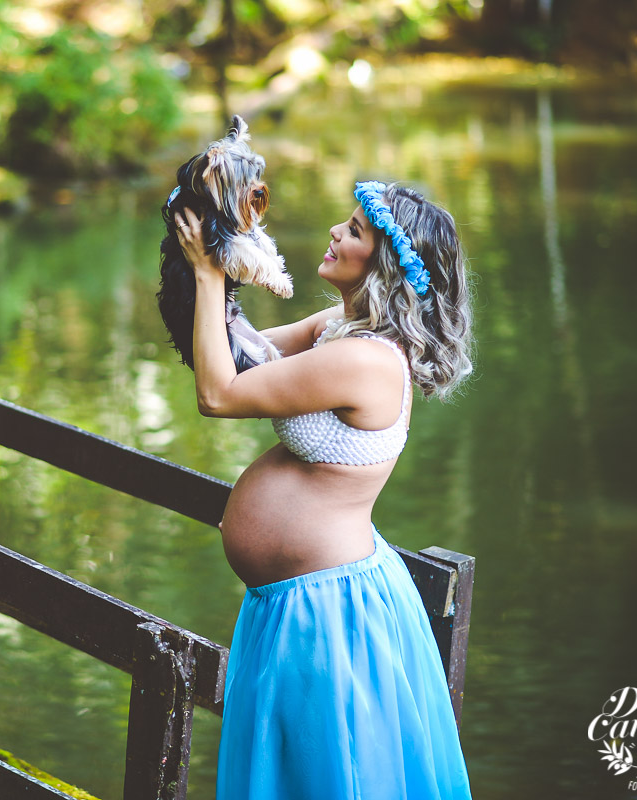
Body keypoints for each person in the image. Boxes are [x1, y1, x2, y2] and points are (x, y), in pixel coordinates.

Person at [173, 180, 474, 799]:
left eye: (355, 230)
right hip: (291, 601)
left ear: (384, 266)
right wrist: (229, 251)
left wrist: (208, 277)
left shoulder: (365, 360)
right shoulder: (342, 327)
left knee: (329, 778)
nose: (336, 232)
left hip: (328, 611)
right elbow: (239, 355)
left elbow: (219, 394)